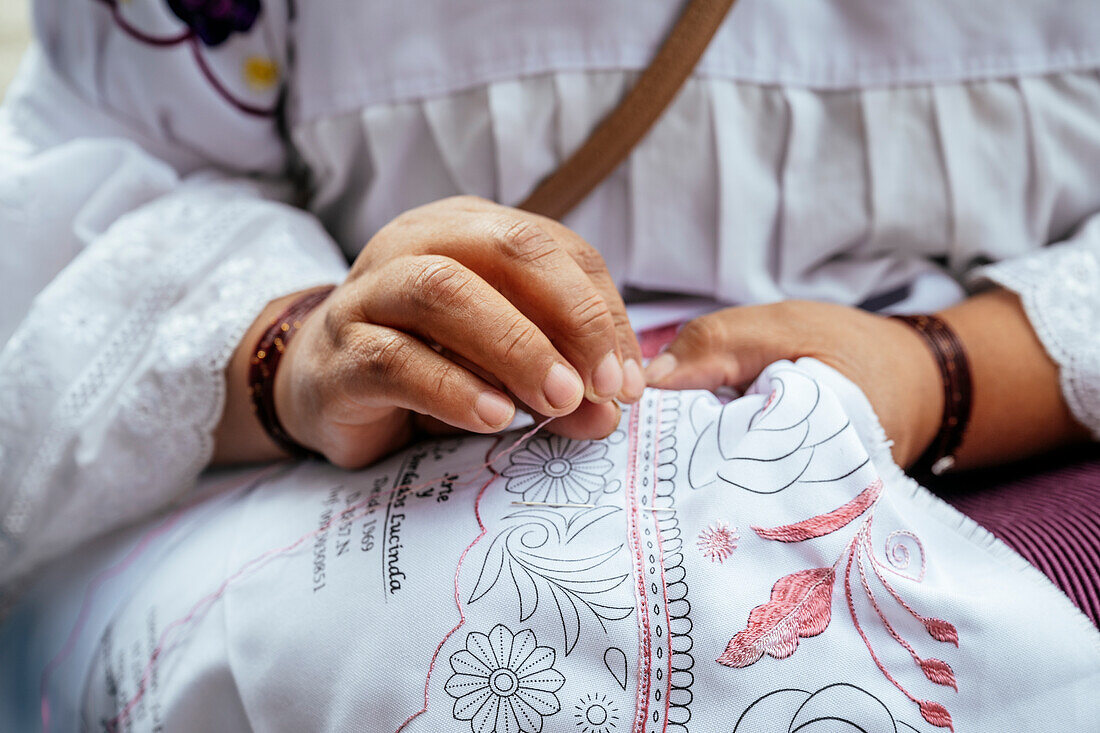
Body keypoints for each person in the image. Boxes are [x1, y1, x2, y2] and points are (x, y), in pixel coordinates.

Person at [1, 0, 1098, 593]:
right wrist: (295, 350)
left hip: (1014, 470)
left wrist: (942, 370)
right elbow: (101, 178)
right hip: (356, 504)